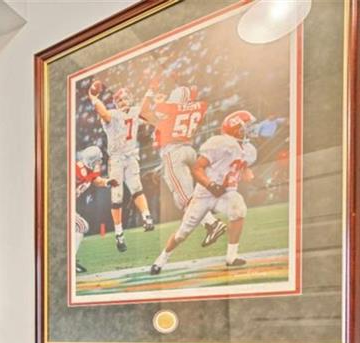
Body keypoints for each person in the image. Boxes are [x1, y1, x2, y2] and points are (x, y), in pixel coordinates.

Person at [150, 109, 258, 275]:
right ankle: (162, 259)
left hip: (225, 193)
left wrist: (246, 173)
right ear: (235, 129)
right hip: (204, 194)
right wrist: (211, 185)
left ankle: (231, 257)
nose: (249, 130)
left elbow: (241, 167)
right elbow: (197, 168)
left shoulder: (249, 149)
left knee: (238, 208)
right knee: (182, 233)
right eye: (246, 127)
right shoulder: (221, 143)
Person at [144, 84, 227, 247]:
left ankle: (212, 224)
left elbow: (144, 111)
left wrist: (151, 92)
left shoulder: (169, 109)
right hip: (189, 149)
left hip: (174, 153)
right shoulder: (198, 106)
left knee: (184, 199)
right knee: (186, 197)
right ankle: (210, 222)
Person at [88, 80, 155, 253]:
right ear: (115, 104)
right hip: (116, 159)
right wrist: (93, 97)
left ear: (130, 99)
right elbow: (103, 113)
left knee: (136, 188)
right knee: (117, 197)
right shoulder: (113, 115)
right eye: (119, 100)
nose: (123, 102)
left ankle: (147, 217)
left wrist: (150, 92)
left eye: (125, 99)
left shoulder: (134, 111)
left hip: (131, 156)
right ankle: (119, 234)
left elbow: (146, 111)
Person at [73, 145, 115, 273]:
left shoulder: (88, 170)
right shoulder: (77, 170)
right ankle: (69, 260)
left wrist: (107, 182)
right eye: (98, 160)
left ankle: (70, 258)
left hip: (69, 206)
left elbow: (96, 180)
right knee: (81, 226)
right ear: (91, 160)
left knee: (82, 227)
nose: (100, 163)